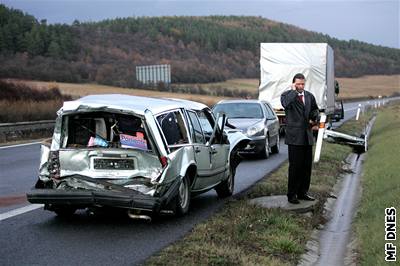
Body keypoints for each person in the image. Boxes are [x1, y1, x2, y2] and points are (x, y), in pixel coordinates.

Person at [281, 73, 319, 204]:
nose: (301, 86)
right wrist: (293, 91)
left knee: (306, 167)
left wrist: (315, 118)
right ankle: (292, 195)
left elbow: (315, 110)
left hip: (307, 136)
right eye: (298, 84)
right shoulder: (287, 95)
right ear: (293, 84)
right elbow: (286, 104)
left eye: (303, 84)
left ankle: (303, 192)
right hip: (294, 138)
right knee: (295, 167)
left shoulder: (309, 96)